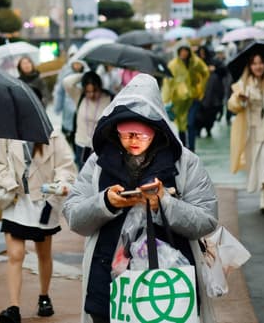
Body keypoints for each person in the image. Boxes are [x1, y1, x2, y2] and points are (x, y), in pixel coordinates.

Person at [63, 74, 219, 323]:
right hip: (107, 284)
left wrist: (164, 204)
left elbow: (207, 219)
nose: (133, 141)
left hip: (167, 284)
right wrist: (105, 203)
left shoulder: (185, 163)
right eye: (126, 134)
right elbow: (73, 216)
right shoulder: (98, 163)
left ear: (157, 130)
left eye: (141, 135)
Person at [0, 105, 77, 323]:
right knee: (15, 254)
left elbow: (66, 166)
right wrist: (9, 183)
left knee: (43, 253)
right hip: (15, 199)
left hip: (43, 202)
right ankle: (13, 307)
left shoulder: (53, 135)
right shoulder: (7, 133)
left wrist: (60, 184)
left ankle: (44, 296)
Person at [227, 53, 264, 213]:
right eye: (254, 63)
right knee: (256, 162)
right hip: (251, 129)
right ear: (250, 66)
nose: (258, 67)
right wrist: (240, 100)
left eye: (261, 63)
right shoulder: (243, 84)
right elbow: (231, 105)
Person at [161, 43, 209, 150]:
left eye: (185, 50)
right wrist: (166, 99)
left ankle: (192, 148)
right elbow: (168, 82)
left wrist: (199, 88)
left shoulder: (195, 63)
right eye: (181, 50)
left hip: (193, 98)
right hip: (179, 100)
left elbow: (205, 72)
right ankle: (184, 148)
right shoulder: (173, 65)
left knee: (191, 123)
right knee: (181, 125)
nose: (184, 53)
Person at [63, 71, 113, 168]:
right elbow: (67, 82)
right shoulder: (79, 96)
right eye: (88, 92)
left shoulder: (109, 98)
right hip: (82, 146)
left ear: (100, 87)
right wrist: (86, 75)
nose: (92, 95)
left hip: (101, 147)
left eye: (95, 91)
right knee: (83, 174)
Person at [54, 59, 88, 146]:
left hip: (83, 109)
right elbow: (60, 92)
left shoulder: (87, 74)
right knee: (69, 134)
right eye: (75, 63)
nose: (77, 66)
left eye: (79, 63)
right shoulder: (65, 74)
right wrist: (58, 107)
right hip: (68, 109)